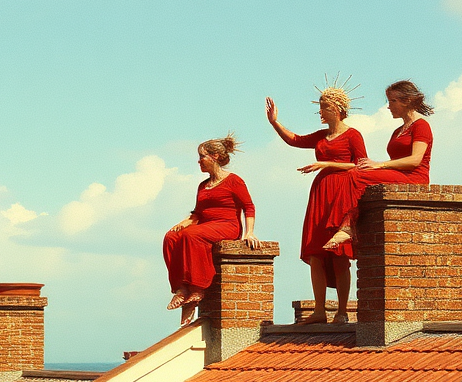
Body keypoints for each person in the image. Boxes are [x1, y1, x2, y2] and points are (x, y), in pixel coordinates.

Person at [266, 83, 367, 324]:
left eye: (324, 107)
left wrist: (326, 165)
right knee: (316, 253)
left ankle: (342, 312)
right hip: (321, 194)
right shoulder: (322, 136)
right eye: (320, 107)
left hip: (342, 193)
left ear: (338, 108)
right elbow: (295, 140)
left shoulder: (352, 135)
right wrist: (274, 122)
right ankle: (320, 310)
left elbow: (361, 165)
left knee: (339, 254)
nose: (320, 112)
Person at [163, 134, 261, 327]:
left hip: (226, 225)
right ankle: (181, 288)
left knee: (192, 235)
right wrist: (185, 221)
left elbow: (249, 206)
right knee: (171, 237)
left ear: (215, 156)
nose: (199, 161)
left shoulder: (234, 181)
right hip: (205, 224)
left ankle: (198, 288)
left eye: (202, 157)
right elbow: (197, 213)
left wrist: (249, 232)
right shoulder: (203, 185)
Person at [325, 80, 434, 249]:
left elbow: (415, 160)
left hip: (414, 177)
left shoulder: (421, 126)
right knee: (354, 173)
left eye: (393, 101)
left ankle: (347, 226)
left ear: (407, 101)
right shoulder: (398, 131)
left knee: (357, 175)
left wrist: (379, 165)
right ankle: (346, 223)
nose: (389, 106)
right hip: (399, 174)